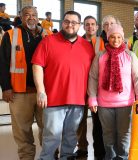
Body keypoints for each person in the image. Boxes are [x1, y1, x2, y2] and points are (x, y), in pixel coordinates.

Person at [32, 11, 95, 159]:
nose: (70, 25)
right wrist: (41, 91)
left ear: (79, 25)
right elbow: (37, 66)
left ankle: (66, 156)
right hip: (54, 99)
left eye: (74, 22)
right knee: (52, 135)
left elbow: (93, 74)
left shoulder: (87, 46)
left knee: (71, 135)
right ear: (62, 23)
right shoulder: (48, 41)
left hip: (78, 100)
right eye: (67, 21)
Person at [0, 6, 51, 160]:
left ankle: (48, 156)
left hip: (44, 92)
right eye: (27, 15)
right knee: (23, 133)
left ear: (38, 17)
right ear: (20, 17)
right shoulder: (10, 35)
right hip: (19, 93)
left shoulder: (47, 35)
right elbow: (2, 62)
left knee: (49, 130)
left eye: (34, 15)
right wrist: (6, 88)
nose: (31, 18)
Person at [88, 23, 138, 160]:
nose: (116, 40)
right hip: (104, 104)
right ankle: (110, 157)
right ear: (108, 38)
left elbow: (137, 79)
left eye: (119, 37)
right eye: (112, 37)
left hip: (126, 104)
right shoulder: (100, 56)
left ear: (123, 37)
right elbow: (93, 77)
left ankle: (123, 157)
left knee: (124, 135)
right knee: (108, 135)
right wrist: (92, 99)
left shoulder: (130, 56)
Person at [74, 15, 106, 159]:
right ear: (83, 26)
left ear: (97, 27)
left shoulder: (103, 42)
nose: (90, 27)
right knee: (79, 120)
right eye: (87, 24)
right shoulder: (77, 42)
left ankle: (99, 148)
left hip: (96, 88)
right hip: (80, 86)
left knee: (97, 120)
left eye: (93, 24)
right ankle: (82, 147)